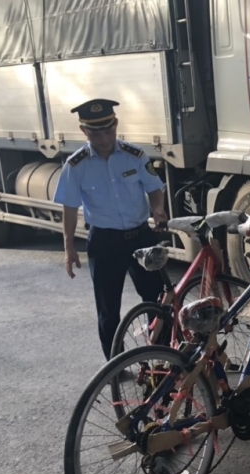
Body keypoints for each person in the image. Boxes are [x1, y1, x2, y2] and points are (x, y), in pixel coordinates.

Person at [53, 99, 168, 358]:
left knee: (157, 300)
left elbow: (154, 187)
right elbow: (69, 208)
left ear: (116, 124)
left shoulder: (135, 155)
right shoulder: (76, 165)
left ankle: (163, 358)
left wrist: (158, 209)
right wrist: (69, 247)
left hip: (141, 237)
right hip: (105, 242)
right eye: (96, 134)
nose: (104, 139)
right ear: (84, 131)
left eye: (108, 131)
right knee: (108, 309)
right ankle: (115, 365)